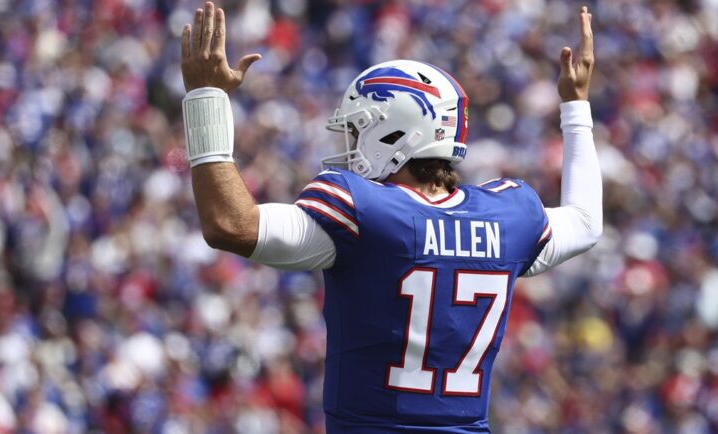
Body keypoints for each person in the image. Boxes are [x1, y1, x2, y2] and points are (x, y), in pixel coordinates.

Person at [179, 3, 601, 432]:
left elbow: (230, 224)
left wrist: (205, 97)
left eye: (358, 130)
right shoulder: (507, 216)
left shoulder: (367, 212)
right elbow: (585, 223)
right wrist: (576, 106)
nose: (351, 145)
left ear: (395, 133)